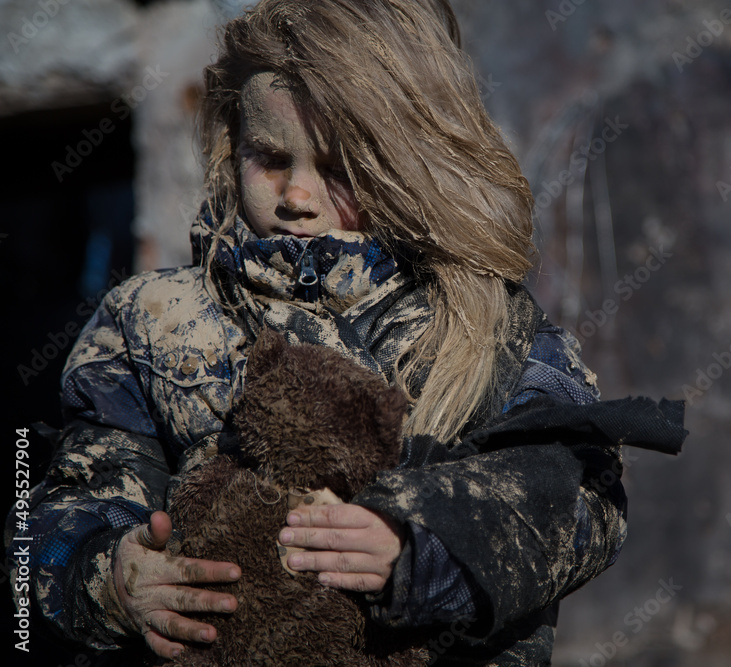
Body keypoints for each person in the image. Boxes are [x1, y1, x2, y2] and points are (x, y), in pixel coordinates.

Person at [6, 1, 685, 664]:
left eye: (338, 168)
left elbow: (581, 495)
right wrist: (112, 575)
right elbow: (58, 513)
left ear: (409, 158)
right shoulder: (150, 320)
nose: (297, 197)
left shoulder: (489, 330)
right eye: (270, 157)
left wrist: (417, 541)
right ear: (231, 145)